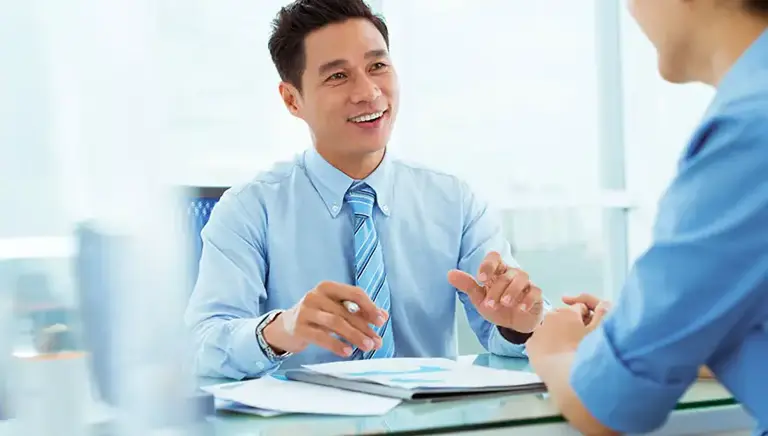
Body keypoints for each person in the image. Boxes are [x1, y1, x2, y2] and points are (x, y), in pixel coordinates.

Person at [184, 0, 550, 380]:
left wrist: (516, 325)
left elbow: (508, 331)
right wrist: (282, 329)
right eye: (337, 76)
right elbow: (201, 347)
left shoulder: (454, 201)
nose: (369, 92)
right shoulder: (249, 208)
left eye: (377, 66)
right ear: (293, 99)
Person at [520, 1, 768, 434]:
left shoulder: (749, 131)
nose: (632, 11)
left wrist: (556, 350)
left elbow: (606, 407)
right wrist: (643, 330)